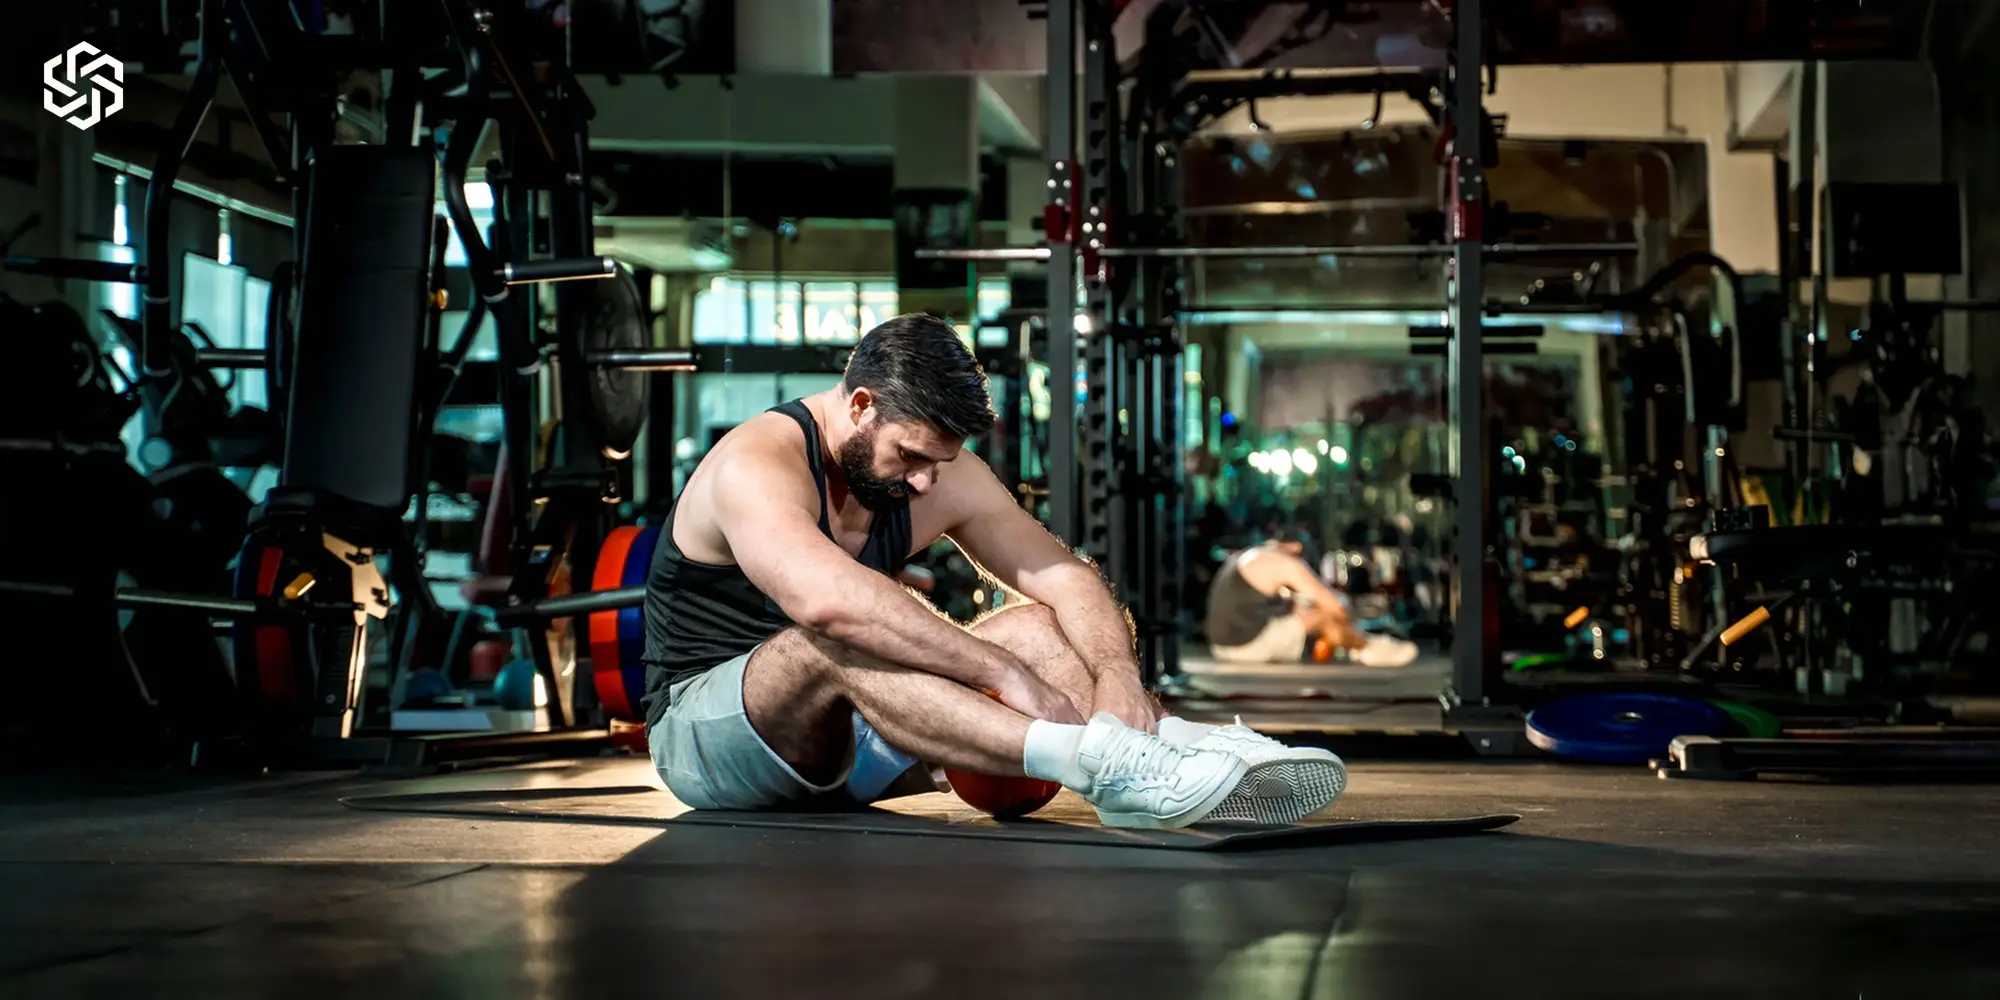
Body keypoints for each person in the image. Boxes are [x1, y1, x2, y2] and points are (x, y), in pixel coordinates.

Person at [642, 315, 1345, 830]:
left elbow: (1064, 576)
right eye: (909, 457)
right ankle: (1101, 763)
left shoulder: (933, 470)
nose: (923, 483)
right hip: (708, 740)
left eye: (937, 464)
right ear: (860, 406)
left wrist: (1118, 680)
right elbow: (826, 605)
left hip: (850, 743)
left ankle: (1161, 745)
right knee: (835, 634)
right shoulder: (757, 460)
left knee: (1041, 628)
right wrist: (1002, 674)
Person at [1206, 538, 1420, 668]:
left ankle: (1355, 644)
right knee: (1324, 617)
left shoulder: (1248, 556)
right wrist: (1349, 624)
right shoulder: (1283, 562)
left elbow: (1287, 606)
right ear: (1295, 546)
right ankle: (1369, 649)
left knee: (1309, 613)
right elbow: (1335, 606)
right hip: (1244, 648)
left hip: (1220, 648)